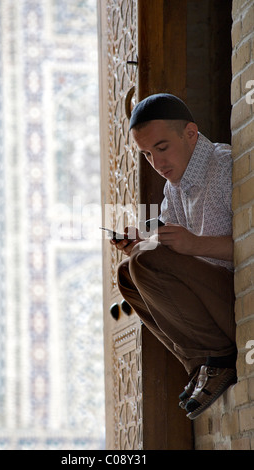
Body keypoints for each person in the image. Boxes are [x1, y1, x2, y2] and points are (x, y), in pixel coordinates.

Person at [111, 93, 237, 419]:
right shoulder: (174, 188)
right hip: (214, 303)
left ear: (190, 133)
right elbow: (175, 251)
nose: (157, 163)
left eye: (162, 148)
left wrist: (195, 245)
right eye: (147, 154)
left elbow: (235, 246)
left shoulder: (226, 167)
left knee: (144, 260)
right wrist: (147, 240)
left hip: (241, 302)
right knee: (128, 272)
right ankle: (202, 363)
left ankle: (219, 358)